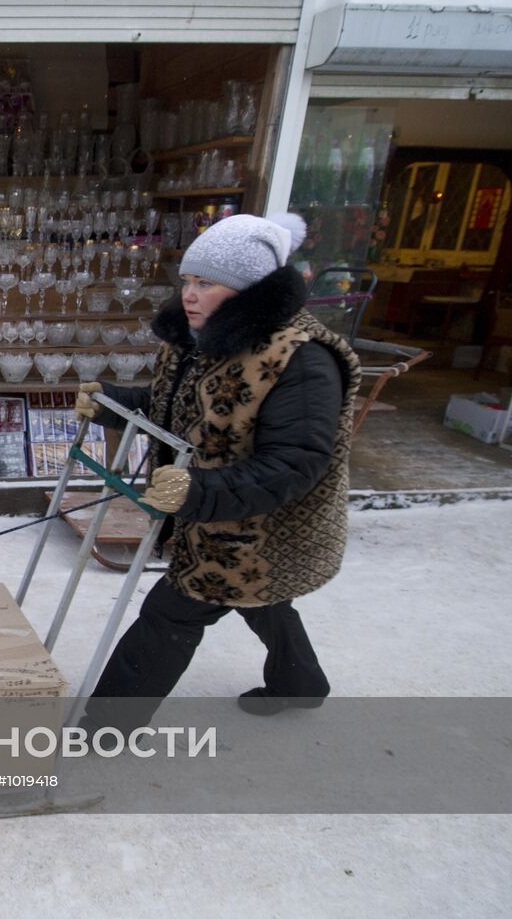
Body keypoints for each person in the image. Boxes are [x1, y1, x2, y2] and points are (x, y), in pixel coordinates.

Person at [73, 213, 361, 727]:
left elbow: (296, 462)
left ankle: (105, 728)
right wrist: (112, 403)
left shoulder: (302, 359)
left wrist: (197, 492)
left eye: (206, 284)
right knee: (261, 602)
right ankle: (302, 683)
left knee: (172, 614)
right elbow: (173, 406)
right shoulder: (202, 337)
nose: (189, 294)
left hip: (259, 528)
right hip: (213, 510)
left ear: (248, 289)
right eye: (187, 281)